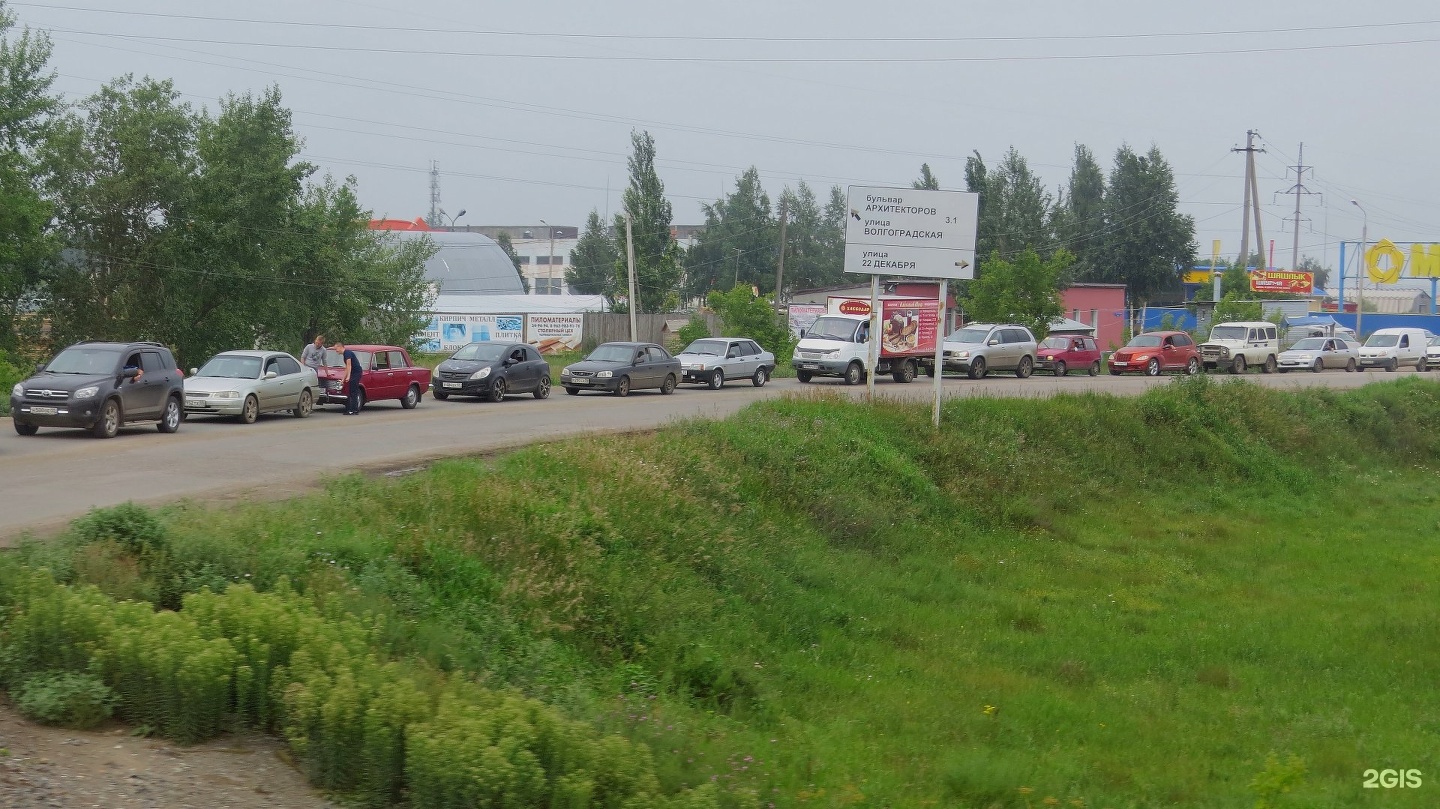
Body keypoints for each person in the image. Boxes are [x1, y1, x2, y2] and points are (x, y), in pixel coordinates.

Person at [335, 342, 364, 415]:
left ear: (340, 347)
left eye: (336, 349)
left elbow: (349, 366)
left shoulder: (347, 353)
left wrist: (348, 377)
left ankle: (354, 410)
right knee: (351, 391)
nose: (336, 351)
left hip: (356, 373)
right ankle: (352, 409)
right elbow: (346, 368)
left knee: (353, 391)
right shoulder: (345, 354)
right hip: (353, 373)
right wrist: (343, 379)